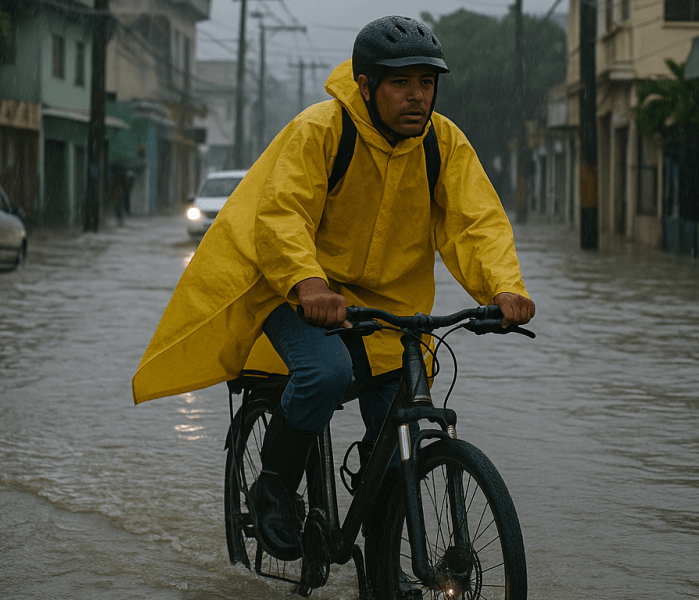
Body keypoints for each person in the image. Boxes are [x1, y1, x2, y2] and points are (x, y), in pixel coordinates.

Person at [132, 16, 535, 561]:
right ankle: (273, 485)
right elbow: (282, 216)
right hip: (296, 289)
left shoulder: (444, 143)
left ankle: (386, 548)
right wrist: (308, 282)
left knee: (404, 423)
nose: (417, 97)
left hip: (391, 311)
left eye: (427, 82)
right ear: (365, 86)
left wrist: (505, 288)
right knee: (326, 372)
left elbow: (476, 224)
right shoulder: (322, 129)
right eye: (401, 83)